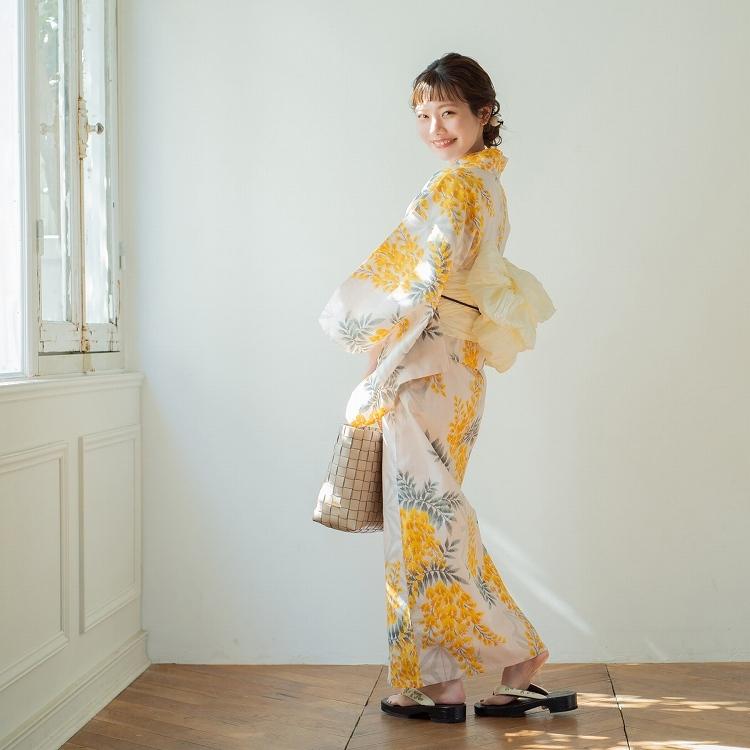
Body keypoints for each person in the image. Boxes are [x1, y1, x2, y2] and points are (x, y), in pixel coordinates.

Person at [318, 52, 574, 723]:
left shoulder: (455, 186)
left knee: (423, 522)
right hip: (459, 371)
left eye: (449, 112)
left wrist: (374, 360)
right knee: (435, 516)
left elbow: (412, 284)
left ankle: (463, 674)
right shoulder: (487, 185)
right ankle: (448, 677)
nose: (435, 127)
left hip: (424, 366)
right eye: (423, 114)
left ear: (484, 113)